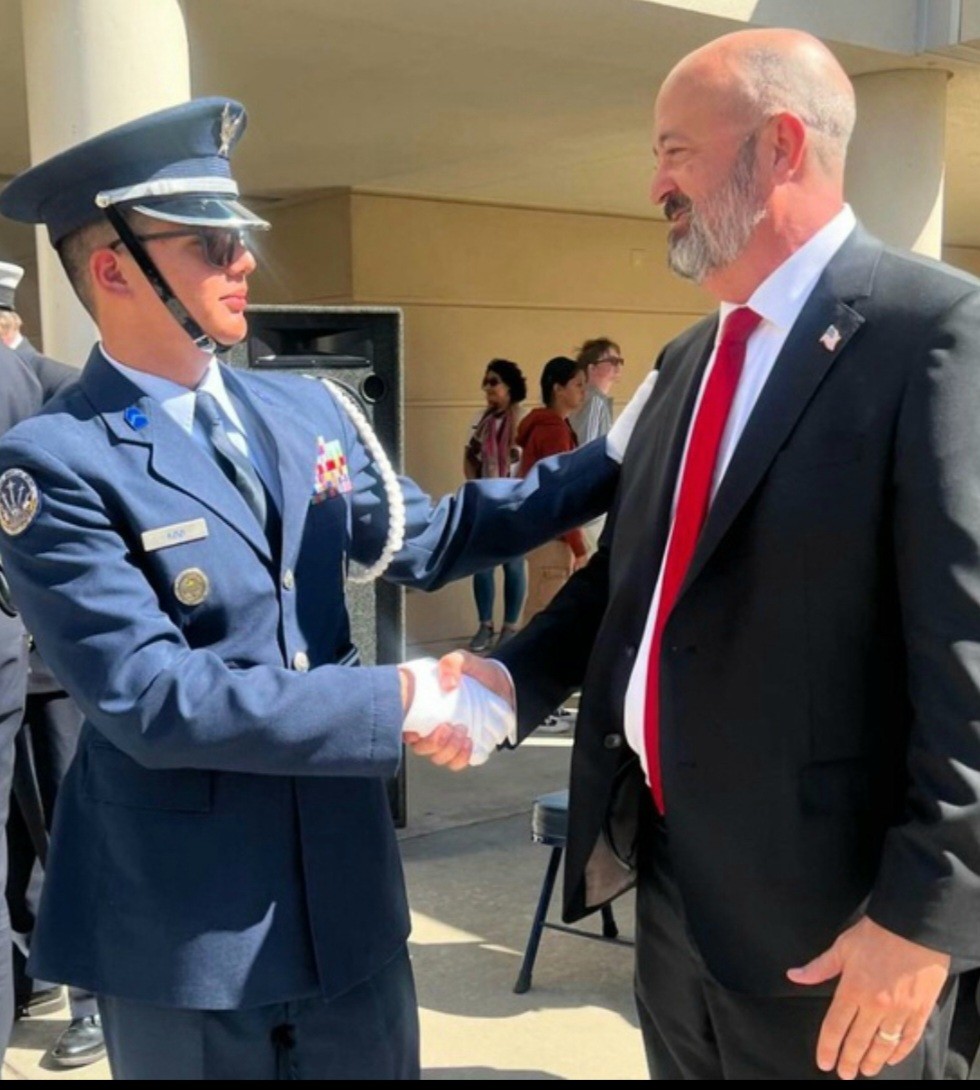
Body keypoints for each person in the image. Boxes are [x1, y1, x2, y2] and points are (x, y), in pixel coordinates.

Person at [0, 96, 641, 1081]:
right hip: (187, 933)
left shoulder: (300, 410)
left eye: (240, 238)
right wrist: (405, 694)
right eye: (211, 243)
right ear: (113, 267)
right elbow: (153, 698)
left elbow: (429, 537)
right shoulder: (55, 461)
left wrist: (624, 454)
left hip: (346, 904)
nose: (243, 260)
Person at [420, 26, 980, 1082]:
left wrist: (925, 918)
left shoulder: (932, 333)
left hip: (842, 932)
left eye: (674, 150)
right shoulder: (689, 357)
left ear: (777, 145)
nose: (653, 185)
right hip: (675, 901)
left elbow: (970, 656)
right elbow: (631, 581)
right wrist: (506, 673)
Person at [0, 264, 103, 1067]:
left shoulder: (60, 387)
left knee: (72, 828)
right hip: (14, 660)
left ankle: (96, 999)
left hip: (55, 664)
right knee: (18, 837)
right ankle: (31, 968)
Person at [516, 356, 589, 621]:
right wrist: (578, 546)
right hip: (552, 536)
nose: (583, 392)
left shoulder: (552, 427)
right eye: (578, 385)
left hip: (544, 533)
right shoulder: (553, 431)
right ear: (558, 389)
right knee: (542, 614)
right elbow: (561, 492)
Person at [463, 358, 528, 653]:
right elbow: (469, 458)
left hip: (516, 502)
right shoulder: (481, 421)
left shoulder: (524, 421)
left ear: (510, 386)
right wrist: (477, 490)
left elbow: (530, 462)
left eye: (493, 382)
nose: (487, 388)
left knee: (514, 566)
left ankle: (510, 628)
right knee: (482, 567)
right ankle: (485, 625)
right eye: (485, 382)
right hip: (487, 502)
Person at [568, 337, 625, 555]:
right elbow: (588, 450)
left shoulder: (594, 401)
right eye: (611, 360)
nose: (617, 366)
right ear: (591, 368)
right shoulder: (594, 402)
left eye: (619, 360)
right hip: (589, 512)